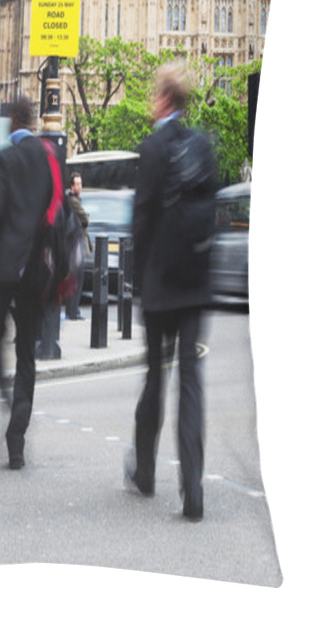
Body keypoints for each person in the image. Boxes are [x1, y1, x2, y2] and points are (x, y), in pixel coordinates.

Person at [124, 62, 216, 521]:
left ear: (162, 100)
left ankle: (145, 471)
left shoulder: (154, 148)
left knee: (155, 380)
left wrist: (137, 280)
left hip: (161, 285)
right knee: (192, 386)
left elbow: (141, 220)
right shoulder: (203, 145)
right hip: (196, 287)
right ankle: (193, 491)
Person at [0, 99, 52, 469]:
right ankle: (16, 435)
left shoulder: (5, 158)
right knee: (27, 354)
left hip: (6, 268)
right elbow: (51, 205)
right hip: (34, 270)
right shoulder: (45, 155)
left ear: (11, 122)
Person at [65, 173, 90, 320]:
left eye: (81, 184)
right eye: (77, 184)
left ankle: (73, 310)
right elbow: (85, 218)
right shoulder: (73, 201)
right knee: (76, 279)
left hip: (76, 245)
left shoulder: (76, 200)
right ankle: (73, 311)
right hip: (75, 246)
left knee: (75, 279)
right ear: (72, 186)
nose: (80, 187)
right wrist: (86, 217)